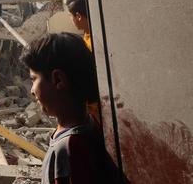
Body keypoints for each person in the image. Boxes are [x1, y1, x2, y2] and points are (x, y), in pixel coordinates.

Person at [21, 33, 123, 184]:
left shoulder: (71, 147)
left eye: (34, 79)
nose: (31, 90)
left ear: (58, 79)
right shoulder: (90, 124)